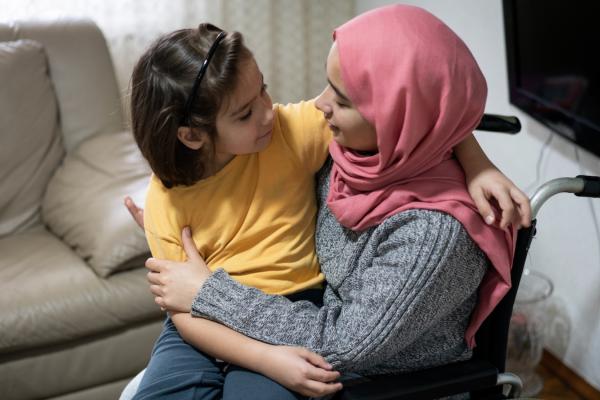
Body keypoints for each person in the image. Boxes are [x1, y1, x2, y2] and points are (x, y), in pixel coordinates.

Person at [124, 5, 530, 399]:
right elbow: (428, 108)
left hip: (354, 372)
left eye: (342, 98)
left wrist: (209, 293)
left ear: (393, 116)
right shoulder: (348, 151)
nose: (318, 104)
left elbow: (344, 343)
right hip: (268, 328)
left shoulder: (432, 234)